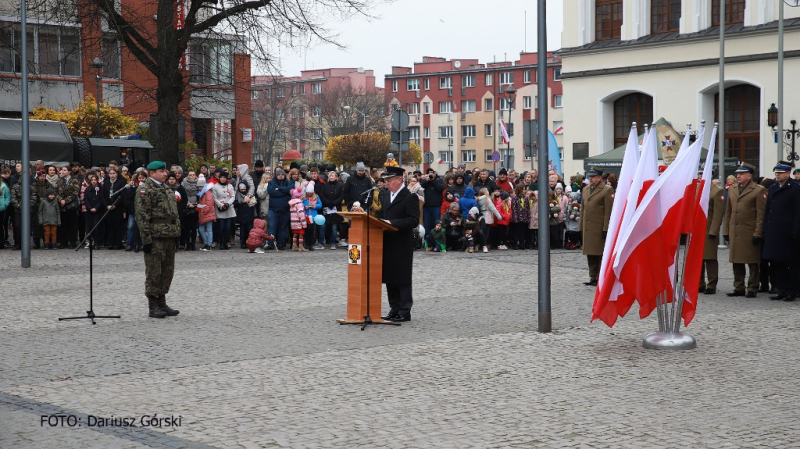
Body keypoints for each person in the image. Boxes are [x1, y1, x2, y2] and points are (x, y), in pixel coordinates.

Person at [134, 161, 181, 319]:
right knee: (154, 272)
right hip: (155, 237)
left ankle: (162, 302)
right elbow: (142, 216)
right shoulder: (145, 189)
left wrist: (177, 232)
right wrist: (146, 239)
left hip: (169, 236)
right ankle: (153, 305)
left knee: (167, 271)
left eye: (165, 171)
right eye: (161, 171)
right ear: (151, 173)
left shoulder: (166, 188)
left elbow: (174, 213)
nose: (165, 173)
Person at [376, 166, 420, 322]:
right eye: (385, 181)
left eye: (389, 180)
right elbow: (382, 215)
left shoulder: (410, 197)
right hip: (387, 241)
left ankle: (404, 310)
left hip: (402, 242)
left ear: (399, 180)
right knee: (390, 276)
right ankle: (394, 307)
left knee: (402, 276)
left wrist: (392, 223)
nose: (386, 183)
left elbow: (413, 220)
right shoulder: (386, 196)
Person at [723, 163, 766, 298]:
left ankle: (753, 287)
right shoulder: (733, 189)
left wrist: (758, 233)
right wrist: (726, 231)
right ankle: (739, 287)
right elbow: (728, 212)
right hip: (735, 231)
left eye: (742, 173)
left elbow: (761, 214)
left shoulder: (758, 190)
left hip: (749, 231)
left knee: (752, 262)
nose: (738, 176)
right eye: (738, 173)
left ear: (750, 176)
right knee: (737, 261)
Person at [762, 161, 800, 302]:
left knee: (791, 263)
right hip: (775, 231)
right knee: (777, 263)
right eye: (776, 172)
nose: (777, 174)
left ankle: (792, 291)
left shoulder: (795, 188)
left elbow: (798, 212)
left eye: (780, 172)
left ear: (788, 173)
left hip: (788, 232)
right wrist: (765, 229)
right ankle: (782, 289)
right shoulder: (772, 188)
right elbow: (768, 211)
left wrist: (796, 230)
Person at [580, 167, 614, 286]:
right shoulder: (585, 189)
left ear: (600, 178)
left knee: (600, 253)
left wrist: (606, 228)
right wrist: (581, 227)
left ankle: (601, 276)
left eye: (593, 177)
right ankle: (592, 276)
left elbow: (608, 212)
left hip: (599, 227)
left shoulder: (606, 190)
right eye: (590, 177)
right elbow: (583, 209)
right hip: (588, 227)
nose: (591, 179)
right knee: (590, 253)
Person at [699, 174, 726, 294]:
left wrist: (714, 230)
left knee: (710, 259)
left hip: (708, 229)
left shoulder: (717, 191)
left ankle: (711, 284)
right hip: (696, 230)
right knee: (697, 259)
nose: (699, 178)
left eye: (702, 175)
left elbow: (718, 213)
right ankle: (699, 284)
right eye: (698, 175)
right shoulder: (695, 189)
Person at [267, 168, 292, 250]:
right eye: (279, 174)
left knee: (282, 228)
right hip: (273, 209)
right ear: (276, 175)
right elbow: (272, 193)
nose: (280, 176)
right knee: (272, 227)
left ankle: (281, 244)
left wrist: (279, 189)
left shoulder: (288, 182)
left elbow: (290, 191)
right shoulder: (271, 183)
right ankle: (271, 244)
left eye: (282, 174)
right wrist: (284, 192)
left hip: (285, 209)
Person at [420, 168, 445, 246]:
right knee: (427, 225)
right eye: (429, 173)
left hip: (436, 206)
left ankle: (437, 242)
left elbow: (441, 188)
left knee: (436, 225)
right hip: (426, 206)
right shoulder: (425, 181)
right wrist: (426, 180)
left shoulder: (438, 180)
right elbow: (421, 186)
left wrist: (433, 180)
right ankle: (428, 243)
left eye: (432, 173)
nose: (430, 175)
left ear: (435, 173)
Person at [319, 170, 344, 250]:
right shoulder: (325, 185)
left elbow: (341, 196)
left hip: (335, 208)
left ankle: (333, 243)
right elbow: (322, 195)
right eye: (330, 176)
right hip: (326, 208)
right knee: (323, 226)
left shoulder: (340, 185)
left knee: (334, 227)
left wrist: (334, 203)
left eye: (333, 176)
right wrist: (328, 203)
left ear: (336, 177)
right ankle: (321, 242)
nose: (331, 177)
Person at [212, 171, 236, 250]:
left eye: (224, 177)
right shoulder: (215, 186)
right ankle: (221, 242)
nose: (223, 179)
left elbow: (233, 196)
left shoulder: (230, 186)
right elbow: (214, 198)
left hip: (228, 209)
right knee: (221, 227)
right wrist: (221, 205)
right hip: (220, 209)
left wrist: (228, 203)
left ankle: (226, 241)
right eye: (221, 177)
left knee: (228, 227)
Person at [196, 177, 216, 251]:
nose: (199, 188)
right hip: (204, 213)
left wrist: (203, 211)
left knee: (208, 229)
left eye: (201, 186)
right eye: (198, 187)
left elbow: (209, 204)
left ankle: (209, 244)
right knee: (202, 229)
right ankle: (206, 243)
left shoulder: (208, 193)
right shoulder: (202, 193)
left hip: (207, 213)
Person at [288, 185, 308, 251]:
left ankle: (294, 245)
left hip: (293, 222)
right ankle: (301, 246)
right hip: (299, 222)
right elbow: (301, 214)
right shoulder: (299, 203)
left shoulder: (292, 203)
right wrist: (304, 223)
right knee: (301, 234)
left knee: (295, 234)